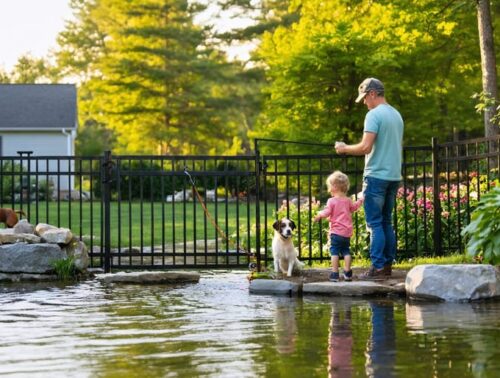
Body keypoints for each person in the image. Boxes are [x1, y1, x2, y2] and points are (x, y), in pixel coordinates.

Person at [335, 78, 404, 278]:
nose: (364, 102)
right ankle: (387, 266)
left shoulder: (374, 115)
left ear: (372, 93)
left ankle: (378, 267)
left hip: (376, 176)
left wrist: (344, 149)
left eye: (365, 97)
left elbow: (365, 147)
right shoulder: (396, 114)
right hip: (393, 176)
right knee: (386, 222)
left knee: (374, 223)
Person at [313, 171, 363, 282]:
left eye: (329, 186)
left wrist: (319, 215)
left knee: (334, 252)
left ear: (334, 187)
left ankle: (335, 274)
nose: (329, 189)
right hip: (346, 233)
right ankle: (347, 273)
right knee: (346, 251)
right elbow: (354, 207)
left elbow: (327, 211)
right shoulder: (348, 200)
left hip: (336, 232)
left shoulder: (331, 201)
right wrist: (361, 200)